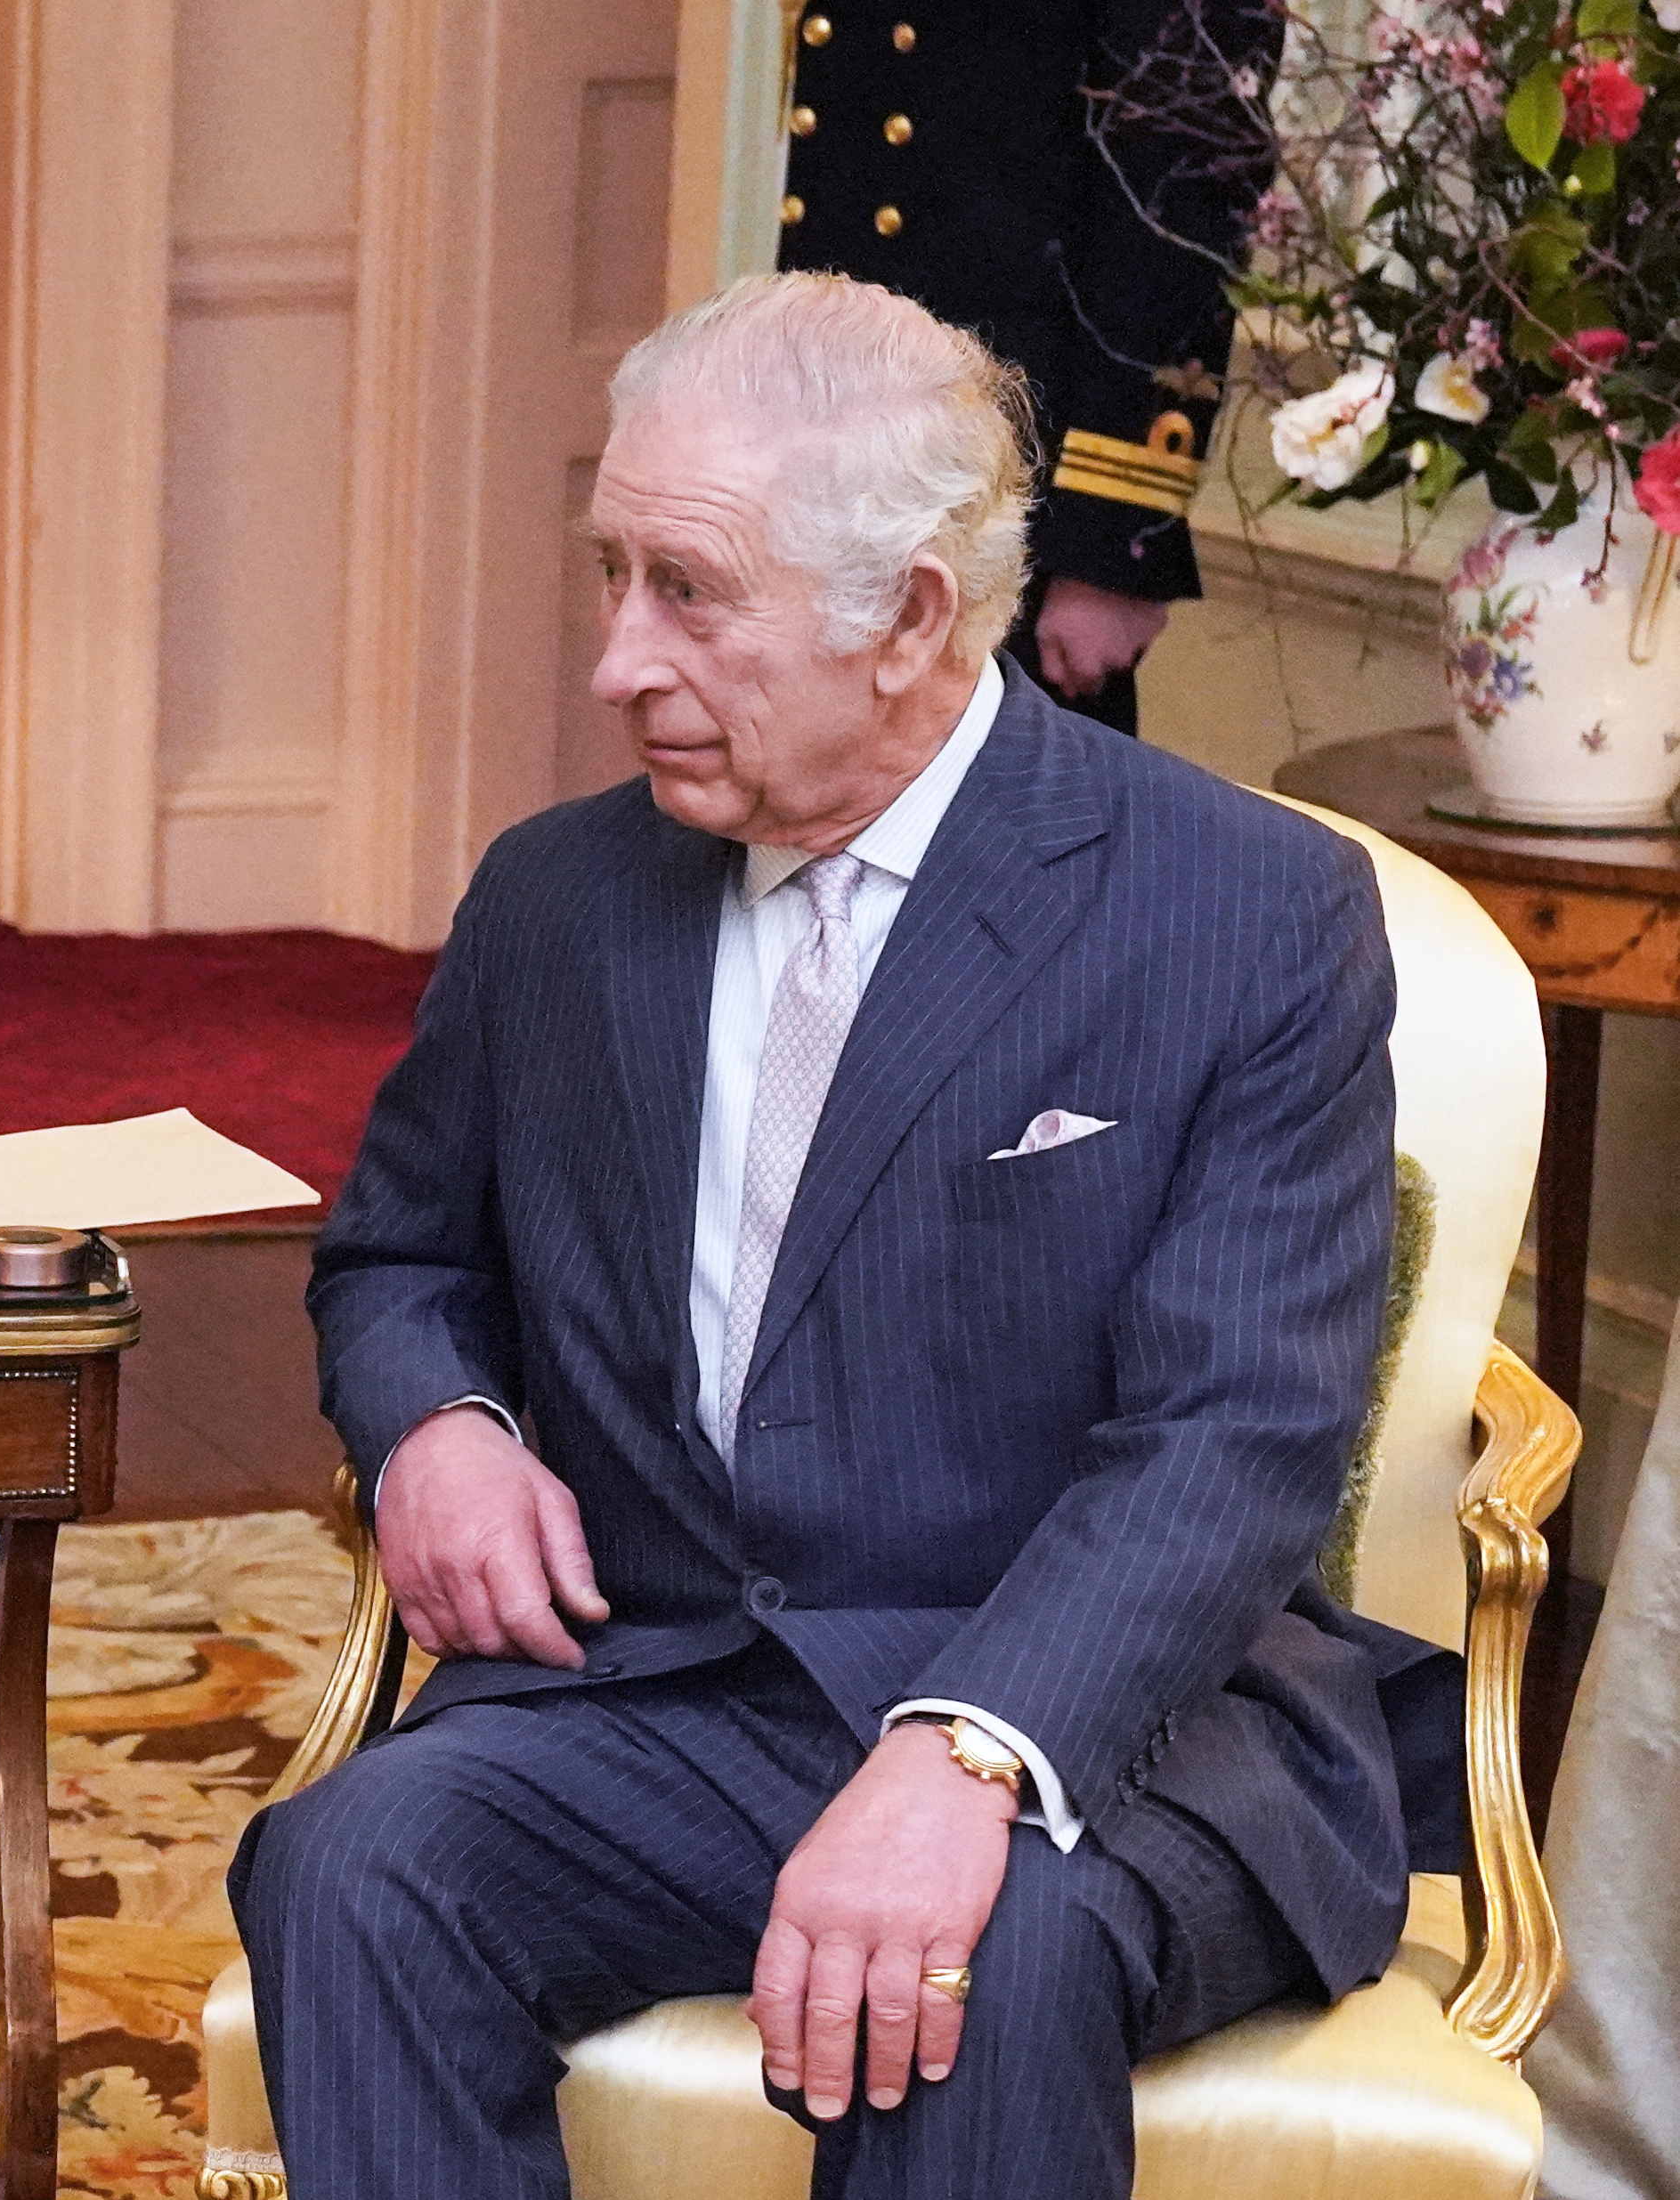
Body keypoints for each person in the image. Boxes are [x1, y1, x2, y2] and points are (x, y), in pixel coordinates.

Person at [230, 272, 1454, 2198]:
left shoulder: (1238, 910)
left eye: (686, 592)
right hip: (668, 1688)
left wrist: (966, 1751)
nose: (617, 661)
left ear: (905, 616)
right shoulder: (554, 897)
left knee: (970, 1951)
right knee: (351, 1861)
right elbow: (398, 1256)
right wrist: (432, 1425)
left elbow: (1233, 1434)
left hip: (1106, 1732)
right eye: (609, 571)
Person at [771, 0, 1271, 735]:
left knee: (1004, 823)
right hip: (825, 436)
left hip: (1005, 481)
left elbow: (1179, 199)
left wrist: (1115, 539)